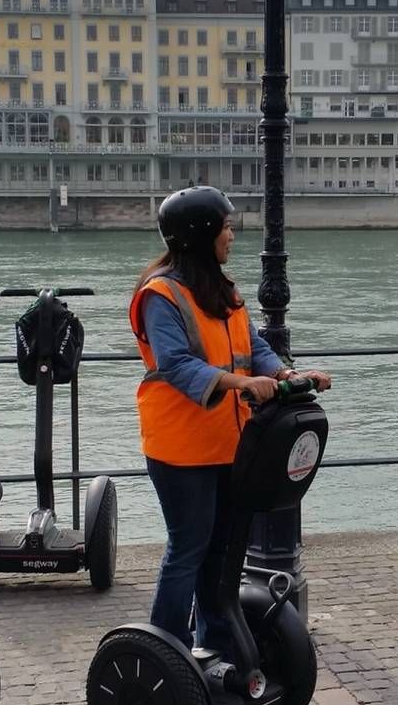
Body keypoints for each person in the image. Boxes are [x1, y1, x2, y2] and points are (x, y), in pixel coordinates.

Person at [129, 186, 330, 654]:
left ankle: (213, 642)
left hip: (229, 441)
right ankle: (167, 650)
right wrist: (238, 385)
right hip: (181, 448)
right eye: (226, 226)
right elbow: (175, 362)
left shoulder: (223, 289)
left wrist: (285, 372)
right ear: (201, 234)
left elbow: (252, 346)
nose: (232, 235)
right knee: (188, 549)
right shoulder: (161, 295)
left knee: (223, 552)